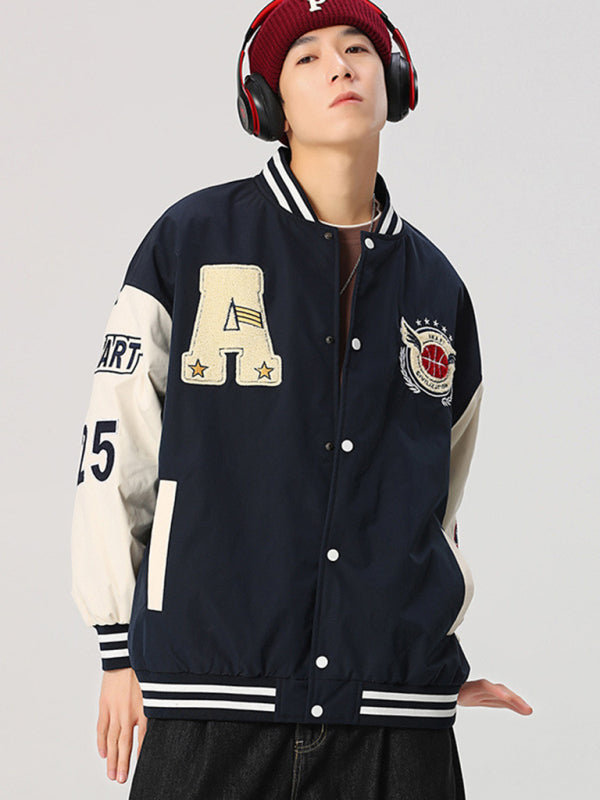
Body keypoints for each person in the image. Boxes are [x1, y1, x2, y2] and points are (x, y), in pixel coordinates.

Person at [70, 1, 533, 797]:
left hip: (393, 721)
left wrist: (418, 657)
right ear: (269, 102)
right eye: (307, 57)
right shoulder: (191, 239)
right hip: (212, 703)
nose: (339, 66)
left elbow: (439, 500)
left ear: (396, 82)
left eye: (358, 49)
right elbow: (118, 443)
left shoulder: (436, 286)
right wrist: (118, 648)